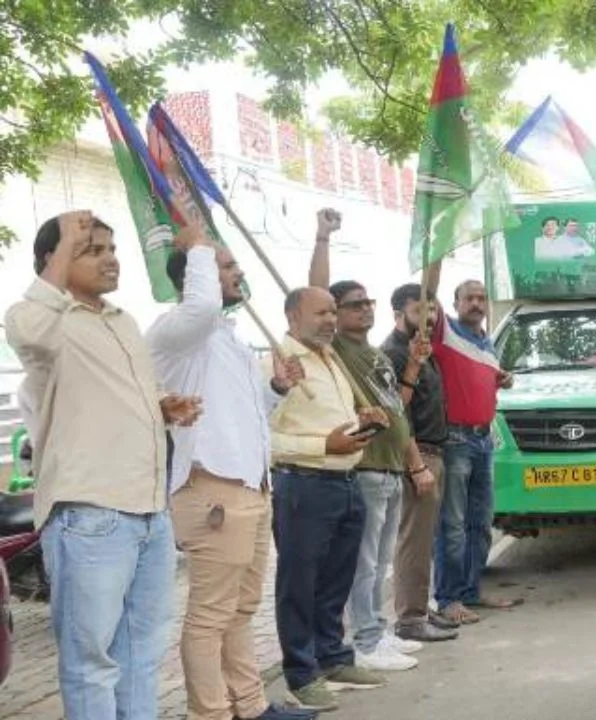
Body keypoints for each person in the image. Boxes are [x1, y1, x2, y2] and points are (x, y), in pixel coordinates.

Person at [5, 211, 201, 720]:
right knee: (91, 662)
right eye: (92, 249)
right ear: (55, 259)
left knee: (140, 656)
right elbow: (27, 332)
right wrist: (64, 243)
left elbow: (116, 395)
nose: (110, 259)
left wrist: (163, 404)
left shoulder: (123, 321)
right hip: (90, 516)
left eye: (111, 249)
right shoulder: (45, 321)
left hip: (148, 513)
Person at [148, 225, 314, 720]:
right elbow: (200, 307)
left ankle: (250, 705)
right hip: (212, 488)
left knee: (241, 609)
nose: (238, 271)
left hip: (249, 487)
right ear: (194, 276)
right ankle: (211, 713)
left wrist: (277, 390)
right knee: (209, 617)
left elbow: (243, 418)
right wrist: (198, 242)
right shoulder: (178, 329)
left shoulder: (226, 337)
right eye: (226, 265)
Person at [308, 210, 439, 672]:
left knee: (379, 562)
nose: (365, 309)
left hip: (389, 469)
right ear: (332, 314)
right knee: (362, 565)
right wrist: (322, 238)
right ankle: (362, 640)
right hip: (362, 469)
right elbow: (314, 294)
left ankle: (377, 632)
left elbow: (398, 410)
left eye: (369, 303)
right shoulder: (335, 349)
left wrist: (411, 371)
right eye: (354, 304)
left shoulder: (377, 356)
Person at [269, 285, 390, 710]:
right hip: (304, 483)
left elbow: (331, 420)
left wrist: (361, 421)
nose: (330, 320)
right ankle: (302, 675)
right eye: (320, 313)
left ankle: (334, 658)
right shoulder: (277, 361)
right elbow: (265, 436)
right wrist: (324, 446)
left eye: (332, 312)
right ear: (292, 318)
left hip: (345, 481)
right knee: (299, 584)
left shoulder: (330, 356)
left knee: (336, 579)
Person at [420, 263, 519, 625]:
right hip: (457, 439)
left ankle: (470, 591)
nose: (476, 304)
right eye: (469, 298)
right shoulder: (445, 332)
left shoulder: (486, 341)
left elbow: (476, 380)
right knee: (453, 524)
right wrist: (436, 258)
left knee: (481, 522)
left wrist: (500, 379)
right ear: (456, 303)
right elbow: (426, 296)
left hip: (483, 439)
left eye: (481, 298)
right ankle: (447, 599)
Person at [382, 284, 461, 642]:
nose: (428, 318)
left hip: (435, 452)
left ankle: (419, 606)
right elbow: (397, 412)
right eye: (419, 311)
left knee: (425, 539)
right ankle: (410, 618)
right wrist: (416, 464)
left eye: (432, 310)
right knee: (413, 540)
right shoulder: (394, 354)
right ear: (399, 313)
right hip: (417, 455)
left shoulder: (421, 351)